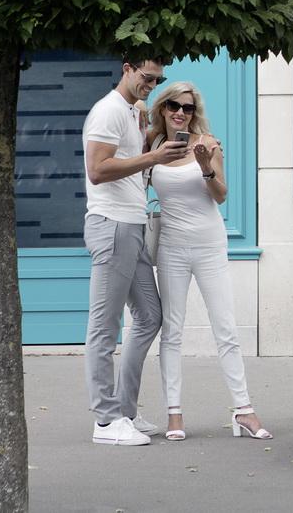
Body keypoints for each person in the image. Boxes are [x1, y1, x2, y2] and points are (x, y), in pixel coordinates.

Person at [145, 81, 271, 442]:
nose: (180, 113)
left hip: (209, 245)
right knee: (172, 331)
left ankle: (243, 410)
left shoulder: (208, 143)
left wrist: (204, 166)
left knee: (225, 328)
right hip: (171, 247)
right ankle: (174, 413)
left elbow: (220, 196)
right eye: (173, 106)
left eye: (187, 108)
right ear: (163, 108)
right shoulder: (153, 143)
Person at [82, 54, 188, 447]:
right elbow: (98, 170)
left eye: (158, 79)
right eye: (147, 77)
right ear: (126, 68)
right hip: (112, 225)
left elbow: (127, 160)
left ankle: (124, 410)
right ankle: (106, 421)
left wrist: (144, 131)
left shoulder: (130, 111)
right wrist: (153, 157)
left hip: (133, 224)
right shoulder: (108, 111)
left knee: (149, 316)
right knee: (104, 326)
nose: (152, 85)